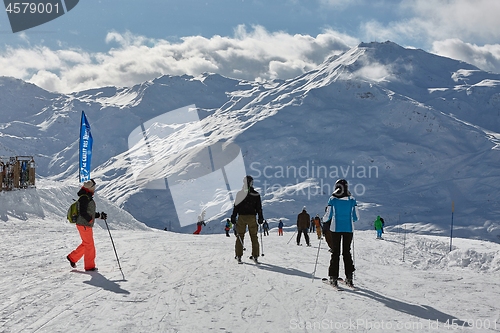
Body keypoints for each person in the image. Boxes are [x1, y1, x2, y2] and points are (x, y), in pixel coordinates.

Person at [323, 179, 358, 288]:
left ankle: (333, 278)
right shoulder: (352, 200)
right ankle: (349, 278)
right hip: (348, 229)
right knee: (347, 253)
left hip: (335, 229)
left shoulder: (332, 199)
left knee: (335, 253)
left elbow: (327, 216)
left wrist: (324, 220)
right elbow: (356, 217)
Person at [66, 179, 107, 272]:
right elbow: (83, 212)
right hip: (84, 224)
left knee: (87, 243)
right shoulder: (84, 198)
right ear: (90, 188)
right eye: (94, 188)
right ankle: (89, 266)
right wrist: (89, 219)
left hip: (84, 224)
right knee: (89, 245)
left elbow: (89, 211)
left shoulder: (86, 196)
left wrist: (99, 216)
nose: (94, 189)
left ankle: (72, 257)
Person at [231, 175, 264, 264]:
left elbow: (236, 207)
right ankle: (255, 255)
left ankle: (238, 255)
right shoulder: (256, 194)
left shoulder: (240, 194)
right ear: (251, 183)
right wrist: (260, 217)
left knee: (240, 236)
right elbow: (259, 208)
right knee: (254, 236)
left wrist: (233, 216)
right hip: (252, 217)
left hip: (241, 217)